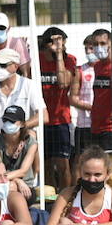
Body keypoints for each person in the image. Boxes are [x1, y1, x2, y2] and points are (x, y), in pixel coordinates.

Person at [38, 26, 79, 191]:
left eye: (62, 42)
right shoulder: (37, 59)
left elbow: (63, 82)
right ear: (47, 44)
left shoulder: (69, 59)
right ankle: (50, 197)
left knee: (63, 165)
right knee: (46, 164)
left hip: (61, 121)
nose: (59, 45)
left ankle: (65, 197)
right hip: (41, 119)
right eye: (55, 42)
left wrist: (60, 55)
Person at [0, 47, 43, 140]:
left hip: (21, 134)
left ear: (16, 66)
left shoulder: (29, 85)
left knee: (31, 137)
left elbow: (43, 115)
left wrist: (20, 127)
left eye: (3, 65)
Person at [0, 105, 38, 201]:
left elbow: (23, 171)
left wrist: (17, 181)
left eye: (12, 121)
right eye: (5, 120)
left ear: (22, 124)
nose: (7, 124)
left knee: (10, 187)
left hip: (26, 186)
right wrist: (16, 180)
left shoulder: (31, 142)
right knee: (7, 186)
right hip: (2, 182)